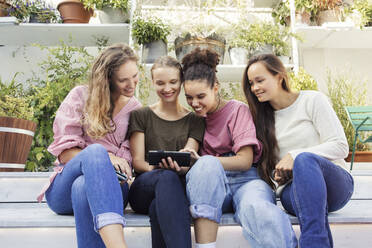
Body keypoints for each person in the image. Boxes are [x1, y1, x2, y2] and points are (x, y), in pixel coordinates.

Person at [181, 48, 297, 248]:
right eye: (189, 97)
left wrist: (202, 161)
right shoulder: (194, 119)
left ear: (216, 87)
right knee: (206, 167)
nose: (195, 103)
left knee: (261, 209)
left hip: (246, 181)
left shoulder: (237, 110)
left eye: (200, 96)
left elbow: (244, 160)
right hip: (212, 188)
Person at [243, 53, 354, 248]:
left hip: (334, 184)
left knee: (304, 160)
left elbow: (340, 145)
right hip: (292, 192)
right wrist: (278, 175)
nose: (255, 88)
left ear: (279, 77)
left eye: (260, 80)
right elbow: (266, 167)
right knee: (303, 165)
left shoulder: (312, 100)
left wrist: (295, 156)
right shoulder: (259, 120)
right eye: (251, 83)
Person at [37, 43, 142, 248]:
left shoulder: (135, 109)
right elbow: (65, 153)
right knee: (96, 153)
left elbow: (129, 163)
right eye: (123, 80)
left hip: (111, 188)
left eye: (135, 76)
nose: (132, 84)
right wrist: (107, 157)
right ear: (108, 79)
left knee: (83, 187)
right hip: (63, 191)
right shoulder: (80, 96)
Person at [127, 56, 205, 248]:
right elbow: (137, 161)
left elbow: (190, 157)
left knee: (158, 209)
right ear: (153, 82)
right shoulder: (141, 115)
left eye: (173, 82)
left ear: (181, 82)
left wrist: (180, 169)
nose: (167, 88)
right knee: (166, 178)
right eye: (160, 83)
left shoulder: (195, 120)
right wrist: (155, 167)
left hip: (176, 192)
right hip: (144, 186)